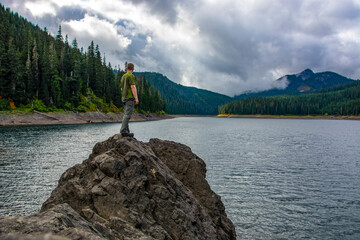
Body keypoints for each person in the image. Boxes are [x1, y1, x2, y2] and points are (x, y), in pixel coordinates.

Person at [120, 62, 139, 137]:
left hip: (124, 97)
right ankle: (123, 131)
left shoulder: (123, 76)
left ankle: (127, 130)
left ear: (126, 68)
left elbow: (121, 88)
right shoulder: (130, 76)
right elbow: (133, 87)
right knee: (128, 115)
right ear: (133, 68)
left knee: (125, 114)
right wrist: (136, 98)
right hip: (129, 98)